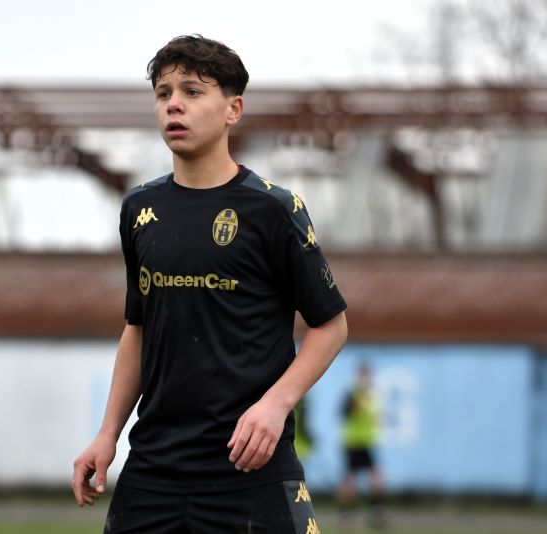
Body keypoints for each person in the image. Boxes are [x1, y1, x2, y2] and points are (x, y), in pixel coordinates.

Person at [72, 34, 348, 533]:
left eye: (192, 92)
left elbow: (331, 326)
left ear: (232, 109)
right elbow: (138, 329)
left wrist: (275, 404)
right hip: (153, 474)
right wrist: (108, 433)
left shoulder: (273, 209)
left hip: (252, 470)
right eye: (163, 93)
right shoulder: (139, 209)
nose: (173, 104)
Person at [337, 363, 387, 530]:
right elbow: (344, 412)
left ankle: (376, 511)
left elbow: (377, 417)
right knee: (350, 480)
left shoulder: (373, 396)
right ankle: (347, 514)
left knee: (376, 478)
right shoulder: (353, 394)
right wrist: (354, 405)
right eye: (363, 375)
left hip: (368, 442)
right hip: (353, 442)